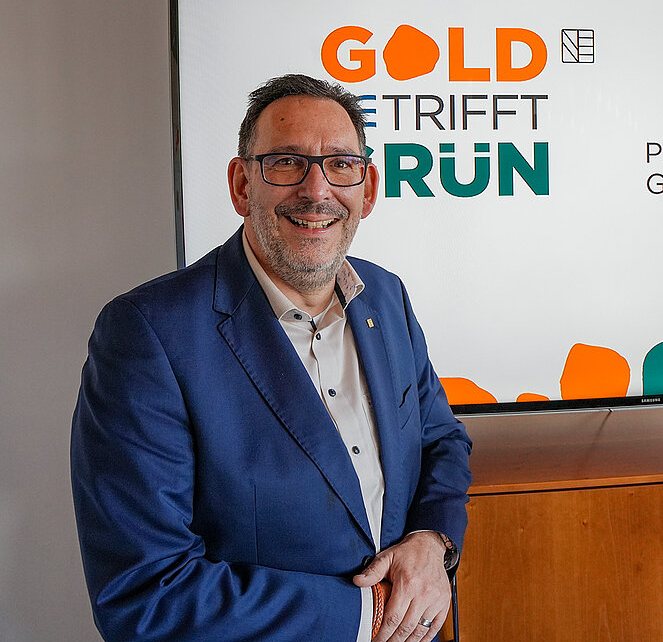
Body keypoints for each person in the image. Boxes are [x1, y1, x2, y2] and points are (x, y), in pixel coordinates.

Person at [71, 74, 472, 642]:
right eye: (287, 163)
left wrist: (434, 540)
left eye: (341, 164)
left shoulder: (387, 297)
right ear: (241, 186)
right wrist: (368, 613)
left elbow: (441, 441)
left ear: (368, 189)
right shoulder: (146, 335)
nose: (317, 190)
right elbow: (146, 595)